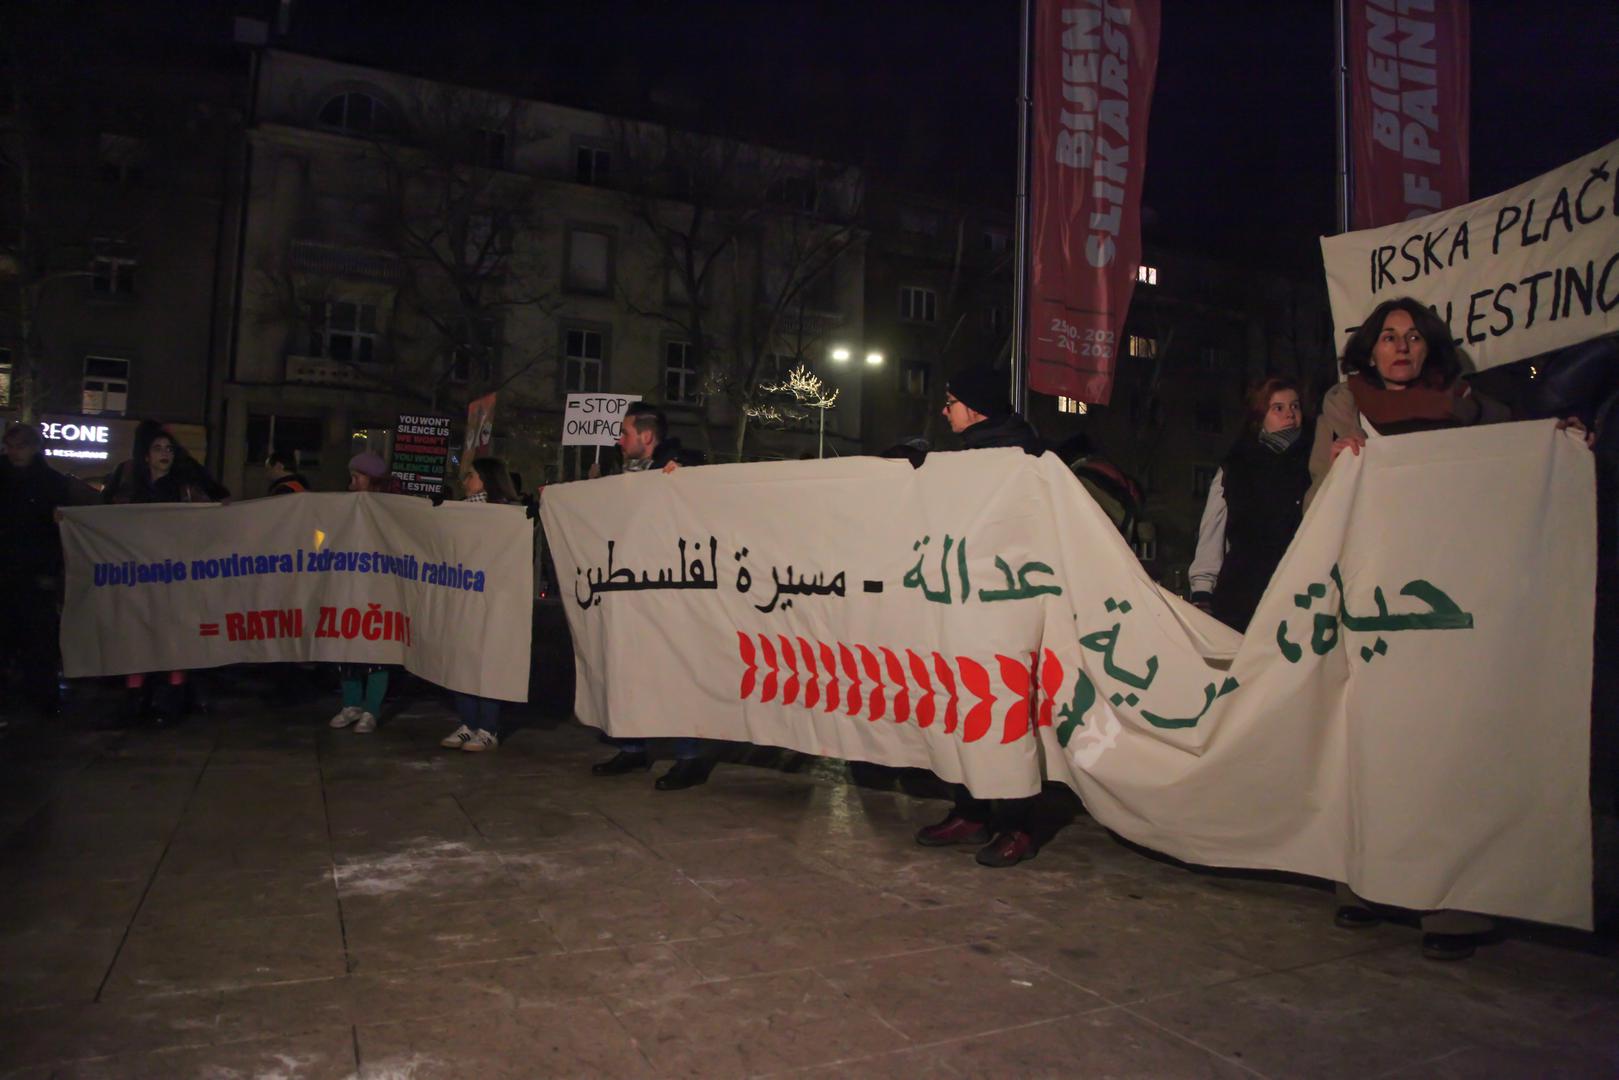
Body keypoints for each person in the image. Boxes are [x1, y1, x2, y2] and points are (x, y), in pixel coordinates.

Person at [1313, 297, 1591, 962]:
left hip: (1449, 597)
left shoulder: (1467, 404)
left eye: (1411, 338)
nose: (1399, 348)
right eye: (1387, 337)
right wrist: (1341, 465)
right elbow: (1319, 490)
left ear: (1429, 347)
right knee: (1374, 737)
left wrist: (1557, 443)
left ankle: (1453, 901)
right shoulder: (1343, 402)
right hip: (1377, 601)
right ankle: (1365, 881)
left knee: (1448, 741)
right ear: (1369, 349)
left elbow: (1512, 465)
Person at [915, 365, 1048, 868]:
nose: (946, 411)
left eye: (951, 402)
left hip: (1005, 606)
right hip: (958, 602)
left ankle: (1018, 824)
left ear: (974, 407)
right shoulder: (964, 460)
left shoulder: (1026, 457)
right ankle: (970, 811)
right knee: (960, 702)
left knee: (1003, 703)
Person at [590, 402, 713, 790]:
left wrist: (686, 479)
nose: (619, 439)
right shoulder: (622, 473)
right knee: (627, 667)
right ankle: (632, 747)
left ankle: (689, 756)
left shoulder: (682, 467)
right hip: (628, 588)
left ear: (647, 436)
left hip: (669, 590)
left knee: (673, 671)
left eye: (625, 432)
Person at [104, 421, 229, 725]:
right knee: (136, 635)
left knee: (174, 635)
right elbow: (104, 519)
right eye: (158, 448)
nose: (165, 454)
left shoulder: (186, 489)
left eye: (169, 449)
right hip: (137, 577)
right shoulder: (128, 487)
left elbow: (210, 518)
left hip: (175, 576)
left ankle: (171, 696)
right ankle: (136, 696)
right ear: (145, 456)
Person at [1188, 377, 1313, 631]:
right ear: (1261, 416)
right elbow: (1213, 531)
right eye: (1278, 408)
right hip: (1244, 594)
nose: (1289, 414)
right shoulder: (1237, 465)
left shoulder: (1314, 460)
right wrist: (1202, 590)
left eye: (1295, 406)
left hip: (1301, 593)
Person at [440, 457, 521, 752]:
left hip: (496, 600)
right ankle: (468, 723)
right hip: (464, 595)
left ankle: (489, 728)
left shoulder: (508, 515)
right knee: (463, 659)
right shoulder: (459, 512)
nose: (465, 481)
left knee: (488, 662)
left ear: (487, 478)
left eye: (471, 475)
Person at [0, 423, 74, 717]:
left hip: (34, 569)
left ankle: (41, 695)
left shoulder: (50, 482)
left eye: (20, 446)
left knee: (38, 637)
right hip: (10, 567)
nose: (15, 453)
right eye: (11, 446)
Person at [328, 451, 393, 734]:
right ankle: (351, 703)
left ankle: (371, 709)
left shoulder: (389, 509)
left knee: (377, 650)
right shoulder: (343, 506)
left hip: (379, 589)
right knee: (347, 646)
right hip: (348, 585)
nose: (352, 482)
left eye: (358, 477)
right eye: (352, 476)